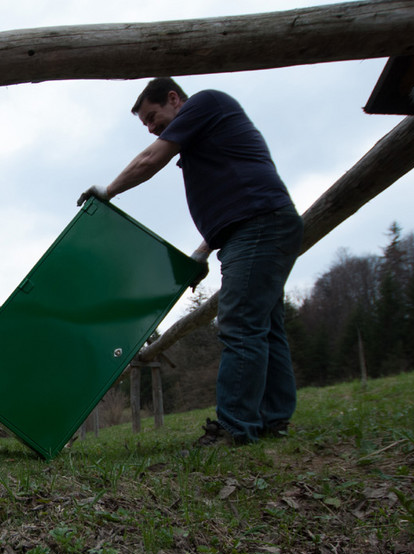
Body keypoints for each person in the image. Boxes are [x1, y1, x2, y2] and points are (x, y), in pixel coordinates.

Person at [78, 77, 303, 447]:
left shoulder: (206, 103)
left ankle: (234, 427)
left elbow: (152, 159)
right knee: (265, 325)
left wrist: (109, 190)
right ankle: (272, 419)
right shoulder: (205, 137)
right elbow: (230, 205)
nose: (151, 128)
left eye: (153, 117)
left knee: (240, 323)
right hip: (253, 228)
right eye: (146, 125)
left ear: (173, 99)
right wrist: (200, 252)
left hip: (260, 225)